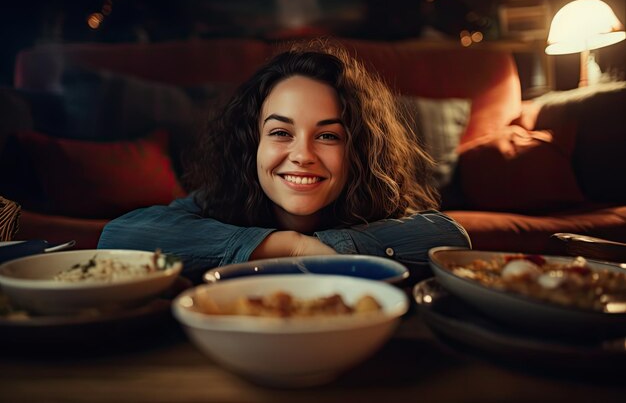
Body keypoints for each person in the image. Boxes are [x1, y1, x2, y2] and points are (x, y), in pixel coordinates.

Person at [97, 40, 471, 280]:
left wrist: (330, 248)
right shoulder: (221, 200)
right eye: (280, 133)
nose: (303, 155)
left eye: (328, 136)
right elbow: (118, 237)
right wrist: (291, 246)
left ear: (356, 149)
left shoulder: (376, 203)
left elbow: (449, 237)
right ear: (252, 144)